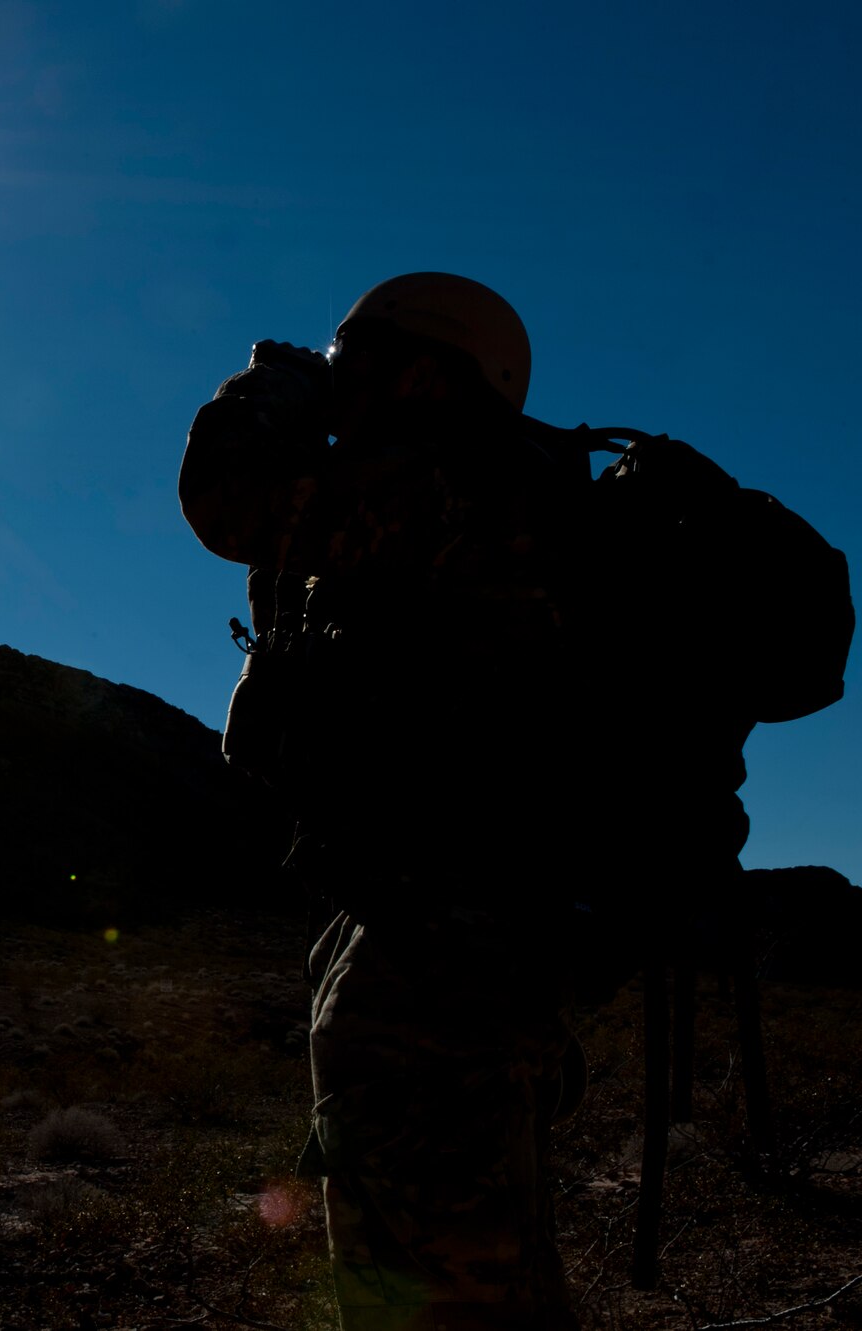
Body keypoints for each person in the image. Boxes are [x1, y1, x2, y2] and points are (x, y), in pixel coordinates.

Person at [179, 273, 709, 1330]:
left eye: (352, 366)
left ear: (425, 372)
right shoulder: (474, 492)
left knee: (454, 1286)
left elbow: (230, 500)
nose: (337, 390)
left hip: (452, 945)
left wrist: (264, 389)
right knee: (431, 1260)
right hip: (443, 923)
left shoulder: (449, 484)